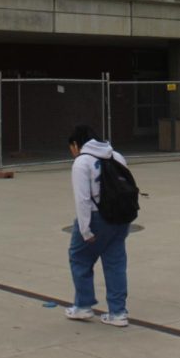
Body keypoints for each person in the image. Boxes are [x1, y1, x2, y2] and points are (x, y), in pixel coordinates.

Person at [63, 124, 131, 327]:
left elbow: (82, 199)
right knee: (115, 264)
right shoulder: (116, 156)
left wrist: (85, 229)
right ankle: (118, 312)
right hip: (120, 218)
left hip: (95, 218)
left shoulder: (82, 162)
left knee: (79, 258)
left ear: (76, 144)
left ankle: (83, 306)